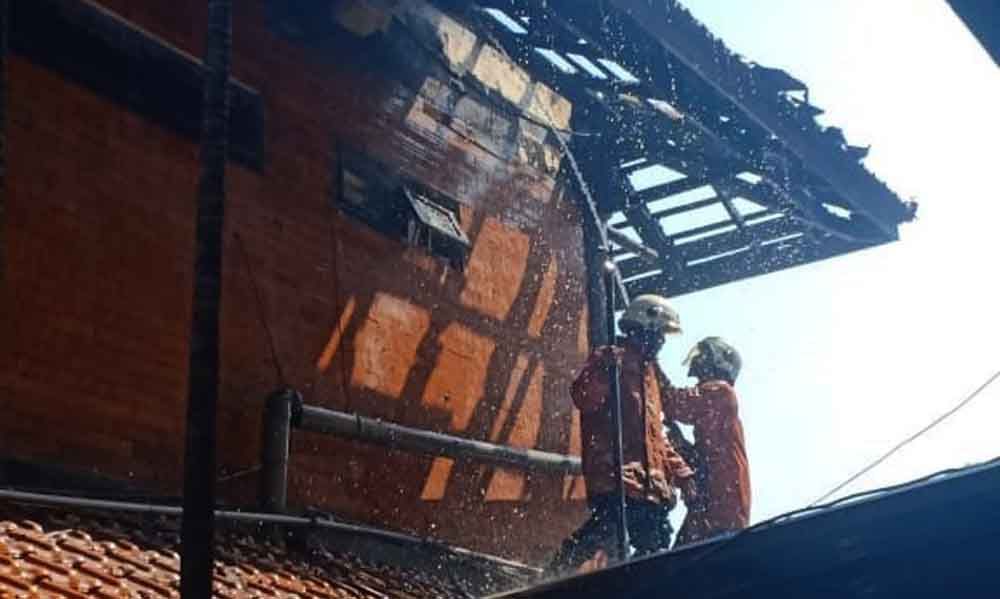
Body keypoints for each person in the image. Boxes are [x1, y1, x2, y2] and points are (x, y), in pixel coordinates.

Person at [549, 295, 694, 574]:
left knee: (656, 547)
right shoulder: (610, 359)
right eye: (660, 334)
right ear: (644, 328)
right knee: (603, 533)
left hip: (651, 489)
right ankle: (551, 577)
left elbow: (656, 438)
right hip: (618, 479)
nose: (662, 342)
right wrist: (605, 370)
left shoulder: (649, 376)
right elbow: (583, 398)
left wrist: (683, 474)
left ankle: (639, 588)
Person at [663, 337, 750, 546]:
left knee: (687, 557)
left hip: (721, 505)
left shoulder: (721, 391)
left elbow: (676, 403)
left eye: (703, 356)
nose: (697, 360)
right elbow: (702, 459)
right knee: (684, 556)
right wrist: (678, 443)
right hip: (714, 501)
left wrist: (651, 372)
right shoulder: (718, 408)